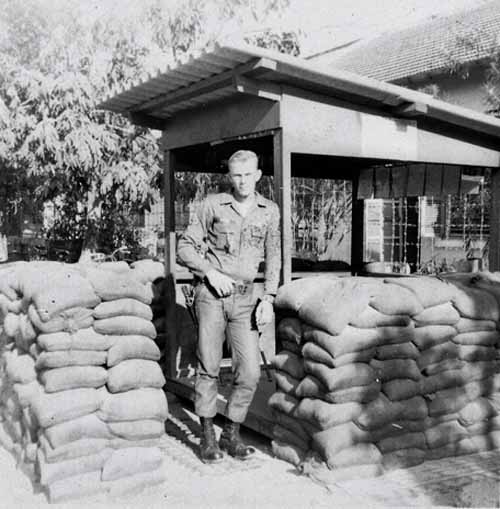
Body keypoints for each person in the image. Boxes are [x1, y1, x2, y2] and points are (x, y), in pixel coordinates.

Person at [177, 150, 281, 463]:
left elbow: (273, 255)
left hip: (248, 298)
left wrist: (270, 298)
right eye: (237, 175)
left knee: (249, 371)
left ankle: (231, 433)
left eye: (248, 175)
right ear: (230, 177)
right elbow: (184, 246)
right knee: (208, 365)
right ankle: (207, 437)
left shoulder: (269, 210)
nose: (242, 181)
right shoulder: (212, 205)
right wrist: (209, 272)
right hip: (211, 295)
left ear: (258, 175)